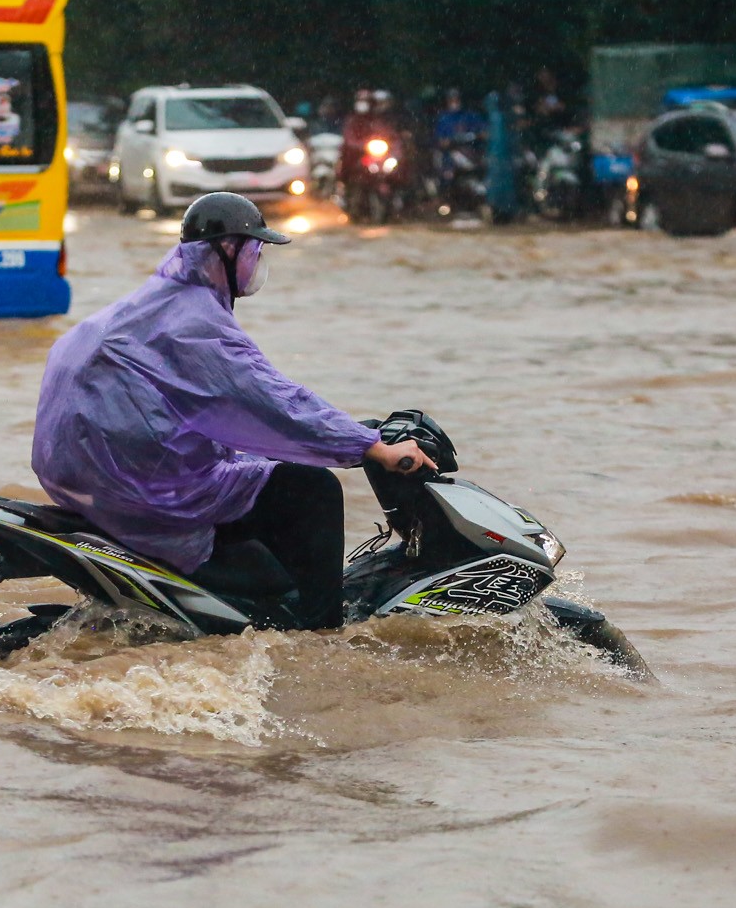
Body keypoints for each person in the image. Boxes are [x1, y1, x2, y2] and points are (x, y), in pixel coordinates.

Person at [32, 193, 434, 629]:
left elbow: (216, 417)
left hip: (96, 485)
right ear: (228, 249)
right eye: (256, 250)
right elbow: (274, 403)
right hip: (147, 496)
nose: (259, 262)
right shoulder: (194, 322)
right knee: (314, 490)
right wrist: (371, 446)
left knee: (265, 470)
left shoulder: (155, 303)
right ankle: (322, 632)